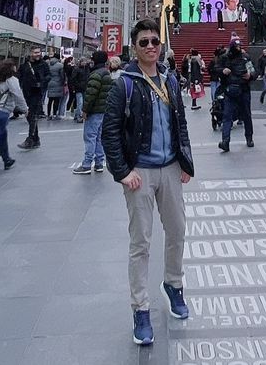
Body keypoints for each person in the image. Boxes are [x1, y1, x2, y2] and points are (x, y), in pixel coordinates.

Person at [101, 18, 194, 346]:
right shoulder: (123, 84)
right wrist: (123, 172)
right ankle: (141, 308)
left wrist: (186, 162)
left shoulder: (170, 79)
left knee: (178, 231)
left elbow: (180, 123)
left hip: (170, 169)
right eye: (144, 42)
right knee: (140, 242)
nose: (151, 46)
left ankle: (174, 284)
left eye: (155, 41)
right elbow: (109, 131)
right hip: (140, 172)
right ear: (134, 48)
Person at [73, 50, 113, 174]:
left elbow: (90, 94)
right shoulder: (107, 73)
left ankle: (86, 164)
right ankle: (99, 163)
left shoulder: (95, 74)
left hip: (94, 110)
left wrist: (85, 110)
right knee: (99, 137)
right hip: (104, 110)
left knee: (90, 136)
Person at [218, 40, 254, 151]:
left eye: (239, 46)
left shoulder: (245, 57)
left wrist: (250, 75)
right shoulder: (224, 58)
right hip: (230, 91)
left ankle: (249, 137)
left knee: (246, 115)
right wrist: (223, 71)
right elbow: (214, 69)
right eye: (236, 46)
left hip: (243, 90)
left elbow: (253, 71)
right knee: (227, 116)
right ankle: (225, 141)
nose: (238, 48)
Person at [17, 46, 50, 149]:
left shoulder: (43, 64)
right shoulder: (25, 65)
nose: (38, 54)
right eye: (35, 52)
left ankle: (31, 139)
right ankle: (36, 139)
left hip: (37, 93)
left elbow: (48, 76)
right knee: (29, 116)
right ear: (30, 53)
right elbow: (19, 77)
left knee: (32, 115)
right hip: (26, 93)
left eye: (39, 52)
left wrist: (42, 83)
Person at [46, 54, 65, 119]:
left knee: (50, 100)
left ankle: (48, 114)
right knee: (56, 100)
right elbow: (62, 75)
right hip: (58, 83)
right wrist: (63, 82)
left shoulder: (49, 64)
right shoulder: (60, 65)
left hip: (50, 83)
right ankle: (54, 114)